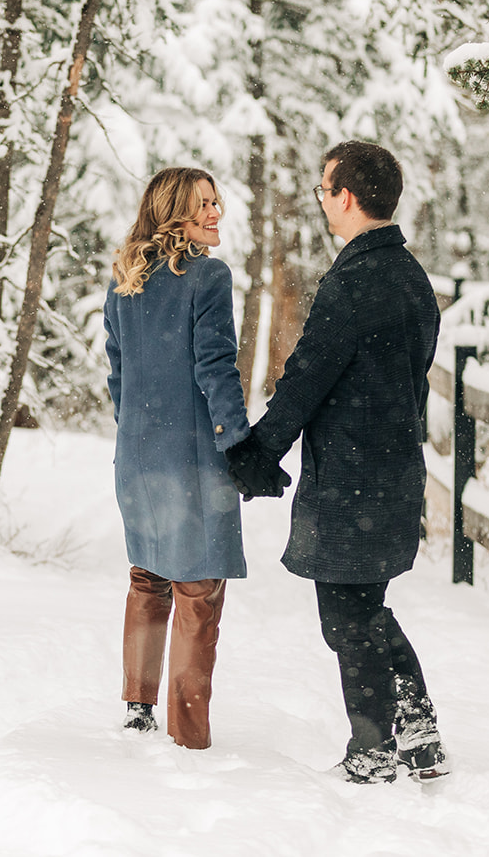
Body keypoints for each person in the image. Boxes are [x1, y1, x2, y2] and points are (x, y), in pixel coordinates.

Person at [224, 140, 446, 784]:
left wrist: (260, 450)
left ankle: (373, 751)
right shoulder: (411, 277)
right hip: (394, 471)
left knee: (348, 617)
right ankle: (418, 732)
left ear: (346, 197)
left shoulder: (353, 282)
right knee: (365, 608)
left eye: (325, 189)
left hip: (353, 479)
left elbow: (308, 377)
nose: (323, 200)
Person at [103, 167, 281, 750]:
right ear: (173, 213)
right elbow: (215, 366)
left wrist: (137, 431)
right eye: (203, 204)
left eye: (216, 202)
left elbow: (118, 374)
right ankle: (188, 735)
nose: (215, 213)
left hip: (137, 456)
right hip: (191, 457)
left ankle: (138, 708)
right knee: (198, 591)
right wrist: (238, 440)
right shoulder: (206, 275)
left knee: (148, 576)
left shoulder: (125, 280)